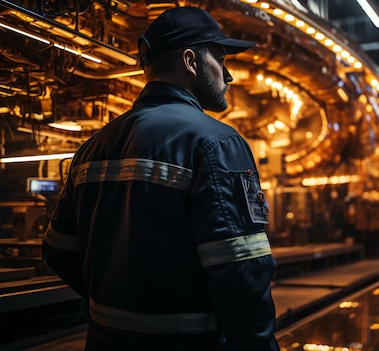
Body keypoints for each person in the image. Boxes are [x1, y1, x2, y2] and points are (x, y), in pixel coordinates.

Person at [42, 6, 279, 351]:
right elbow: (241, 274)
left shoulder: (92, 148)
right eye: (221, 59)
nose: (228, 77)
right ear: (190, 61)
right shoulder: (217, 144)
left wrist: (120, 304)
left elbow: (57, 249)